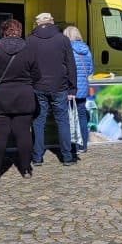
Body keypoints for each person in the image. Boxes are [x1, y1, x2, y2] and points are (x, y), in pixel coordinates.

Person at [0, 19, 41, 178]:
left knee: (0, 134)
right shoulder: (29, 50)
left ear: (3, 31)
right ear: (19, 31)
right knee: (24, 134)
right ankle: (26, 169)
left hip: (1, 97)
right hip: (24, 96)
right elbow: (37, 75)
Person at [26, 12, 77, 167]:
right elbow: (71, 65)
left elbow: (26, 65)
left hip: (37, 86)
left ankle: (37, 157)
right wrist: (72, 89)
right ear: (52, 21)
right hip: (59, 86)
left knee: (38, 121)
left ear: (37, 23)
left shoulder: (30, 40)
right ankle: (67, 157)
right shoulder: (63, 39)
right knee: (62, 121)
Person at [64, 25, 93, 158]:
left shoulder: (67, 49)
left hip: (70, 87)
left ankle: (72, 146)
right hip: (83, 88)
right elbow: (91, 70)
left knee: (69, 118)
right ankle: (83, 145)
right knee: (81, 116)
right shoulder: (86, 49)